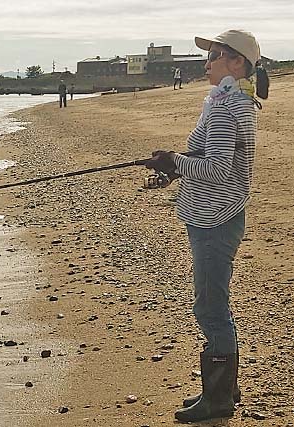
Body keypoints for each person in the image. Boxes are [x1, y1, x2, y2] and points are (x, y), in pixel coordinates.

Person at [145, 29, 269, 423]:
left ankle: (217, 401)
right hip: (220, 213)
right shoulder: (237, 101)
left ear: (237, 64)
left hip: (214, 217)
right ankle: (224, 390)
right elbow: (213, 160)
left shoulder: (225, 107)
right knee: (213, 303)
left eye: (215, 55)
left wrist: (176, 163)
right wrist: (173, 168)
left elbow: (215, 169)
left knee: (210, 307)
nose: (207, 62)